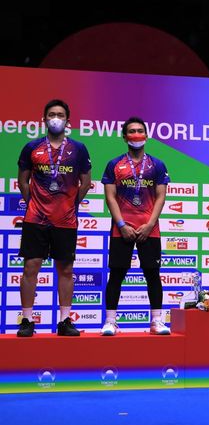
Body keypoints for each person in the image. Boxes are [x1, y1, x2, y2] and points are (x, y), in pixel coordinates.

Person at [16, 99, 92, 337]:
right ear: (44, 119)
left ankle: (65, 320)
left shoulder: (79, 149)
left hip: (65, 221)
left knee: (66, 270)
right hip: (35, 219)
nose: (55, 118)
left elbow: (86, 182)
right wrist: (36, 205)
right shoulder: (31, 147)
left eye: (60, 114)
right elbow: (23, 181)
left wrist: (68, 205)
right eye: (51, 114)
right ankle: (27, 320)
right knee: (31, 267)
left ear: (68, 120)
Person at [100, 117, 171, 335]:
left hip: (149, 229)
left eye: (140, 131)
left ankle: (156, 321)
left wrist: (150, 224)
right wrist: (121, 224)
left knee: (152, 273)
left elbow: (161, 196)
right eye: (131, 131)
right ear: (124, 137)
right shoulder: (114, 164)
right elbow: (110, 197)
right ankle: (110, 321)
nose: (136, 134)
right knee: (117, 274)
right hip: (121, 228)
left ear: (146, 136)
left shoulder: (157, 165)